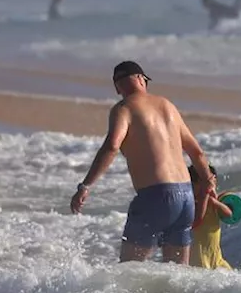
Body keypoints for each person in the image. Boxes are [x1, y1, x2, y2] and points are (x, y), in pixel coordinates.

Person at [70, 61, 212, 265]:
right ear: (141, 79)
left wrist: (86, 186)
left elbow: (112, 146)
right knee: (177, 275)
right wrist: (207, 182)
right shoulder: (167, 106)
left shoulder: (124, 109)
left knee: (127, 272)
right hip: (186, 197)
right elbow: (196, 152)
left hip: (155, 197)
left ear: (118, 87)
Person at [189, 164, 233, 270]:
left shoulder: (214, 202)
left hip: (216, 258)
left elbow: (229, 214)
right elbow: (198, 219)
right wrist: (205, 197)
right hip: (199, 258)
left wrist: (215, 202)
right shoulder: (192, 203)